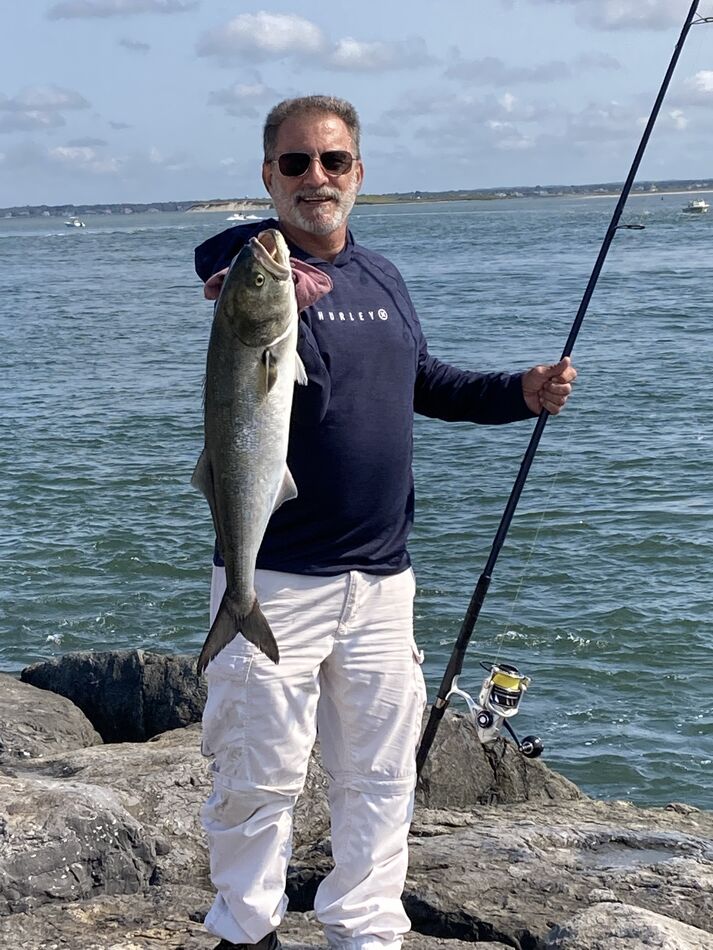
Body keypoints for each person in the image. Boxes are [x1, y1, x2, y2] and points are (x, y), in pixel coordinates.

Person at [194, 95, 576, 950]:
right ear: (269, 177)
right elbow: (218, 263)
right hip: (277, 577)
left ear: (358, 173)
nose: (314, 179)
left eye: (332, 162)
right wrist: (251, 266)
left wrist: (518, 393)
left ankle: (365, 931)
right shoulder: (253, 271)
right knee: (257, 777)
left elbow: (423, 381)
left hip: (381, 582)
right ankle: (243, 931)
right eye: (294, 164)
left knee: (377, 776)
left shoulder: (382, 277)